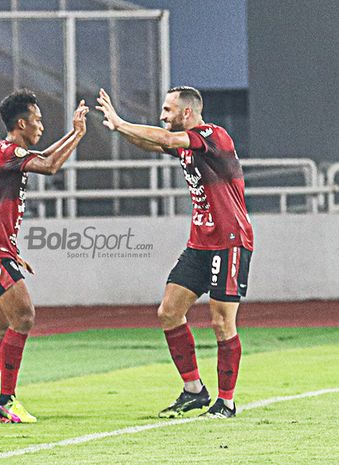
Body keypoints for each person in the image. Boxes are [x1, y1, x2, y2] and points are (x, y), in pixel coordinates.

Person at [96, 86, 254, 418]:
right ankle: (194, 390)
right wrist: (119, 128)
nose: (162, 116)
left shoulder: (213, 136)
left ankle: (226, 401)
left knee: (221, 322)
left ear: (186, 113)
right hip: (200, 243)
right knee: (169, 312)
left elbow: (166, 140)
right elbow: (152, 142)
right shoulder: (185, 144)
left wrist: (122, 121)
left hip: (230, 241)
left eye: (167, 111)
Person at [0, 89, 89, 423]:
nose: (41, 125)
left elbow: (45, 155)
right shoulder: (6, 153)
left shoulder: (8, 152)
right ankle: (6, 399)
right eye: (37, 119)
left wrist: (72, 133)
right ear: (21, 123)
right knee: (24, 317)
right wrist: (78, 135)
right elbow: (50, 165)